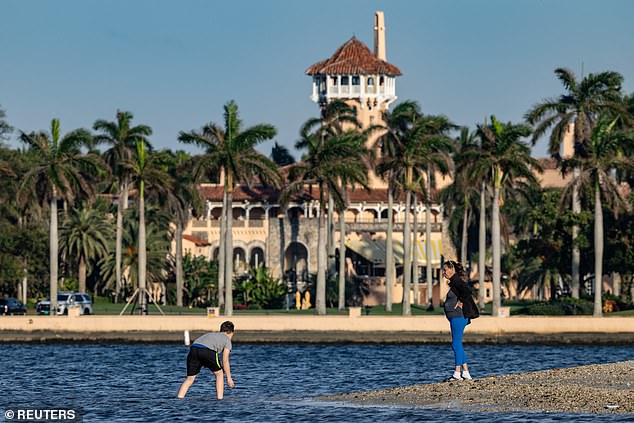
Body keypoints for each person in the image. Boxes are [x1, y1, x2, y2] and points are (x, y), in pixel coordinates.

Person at [177, 321, 236, 399]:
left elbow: (200, 349)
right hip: (207, 350)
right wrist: (229, 378)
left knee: (190, 378)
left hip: (193, 349)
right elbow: (225, 360)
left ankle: (179, 398)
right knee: (219, 374)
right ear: (231, 332)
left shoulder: (210, 334)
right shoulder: (227, 340)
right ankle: (220, 399)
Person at [442, 260, 479, 381]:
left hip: (458, 316)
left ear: (451, 269)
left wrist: (461, 301)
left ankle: (457, 373)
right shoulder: (454, 282)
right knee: (458, 344)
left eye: (445, 270)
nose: (443, 273)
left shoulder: (457, 280)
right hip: (455, 317)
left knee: (455, 344)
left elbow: (467, 291)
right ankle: (466, 373)